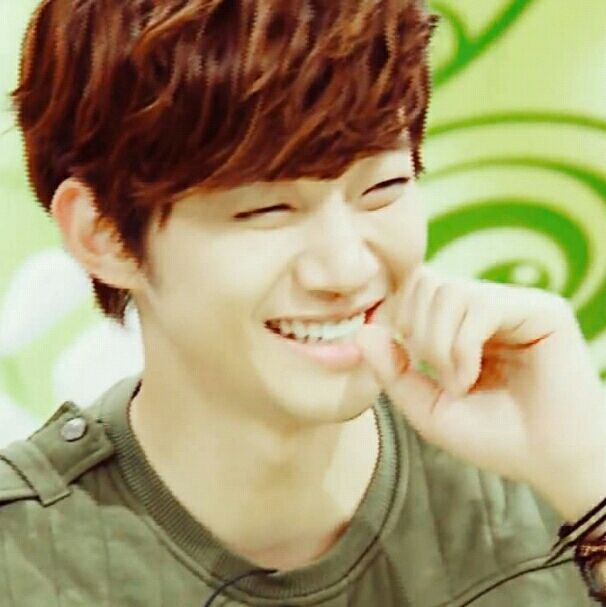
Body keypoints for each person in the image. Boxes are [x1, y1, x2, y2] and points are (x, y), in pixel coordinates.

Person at [2, 0, 606, 605]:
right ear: (104, 235)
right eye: (267, 209)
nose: (346, 268)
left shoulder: (544, 479)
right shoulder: (23, 559)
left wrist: (587, 477)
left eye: (383, 188)